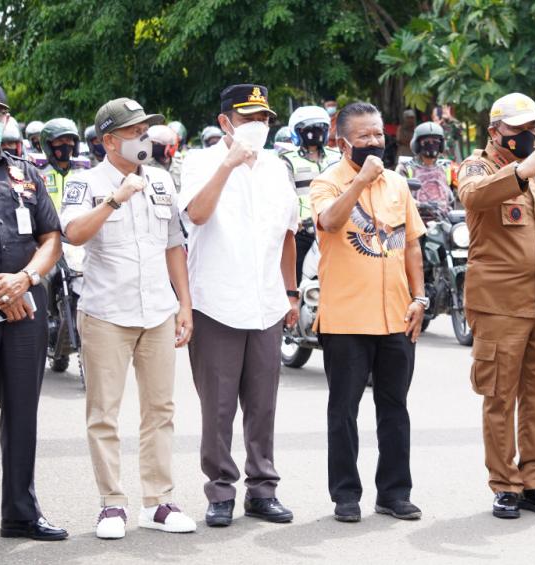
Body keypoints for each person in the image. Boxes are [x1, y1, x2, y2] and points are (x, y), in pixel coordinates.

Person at [59, 97, 196, 539]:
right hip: (105, 312)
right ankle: (112, 504)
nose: (145, 138)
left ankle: (157, 502)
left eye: (146, 130)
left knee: (160, 409)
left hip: (157, 309)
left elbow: (175, 244)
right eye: (136, 132)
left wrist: (184, 304)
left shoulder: (160, 181)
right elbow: (73, 233)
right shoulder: (85, 182)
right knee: (104, 412)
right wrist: (114, 200)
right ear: (109, 140)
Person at [458, 93, 535, 519]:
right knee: (499, 396)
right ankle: (505, 484)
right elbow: (473, 197)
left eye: (532, 128)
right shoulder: (479, 167)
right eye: (518, 129)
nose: (528, 135)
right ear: (495, 132)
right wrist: (518, 172)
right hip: (500, 306)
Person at [179, 83, 299, 527]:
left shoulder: (277, 169)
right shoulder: (200, 161)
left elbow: (287, 233)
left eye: (264, 118)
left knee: (263, 404)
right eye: (248, 118)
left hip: (266, 302)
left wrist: (290, 293)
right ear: (225, 122)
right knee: (219, 407)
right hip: (217, 303)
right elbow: (197, 214)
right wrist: (227, 165)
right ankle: (220, 491)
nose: (258, 126)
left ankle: (263, 489)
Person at [309, 101, 427, 523]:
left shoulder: (398, 184)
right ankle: (345, 495)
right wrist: (359, 181)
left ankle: (394, 493)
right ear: (343, 141)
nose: (375, 142)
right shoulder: (325, 181)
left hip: (397, 315)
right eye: (364, 136)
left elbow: (412, 243)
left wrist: (421, 297)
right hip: (345, 320)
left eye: (378, 134)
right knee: (343, 410)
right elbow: (330, 222)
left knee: (395, 408)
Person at [0, 83, 68, 541]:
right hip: (10, 301)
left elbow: (51, 239)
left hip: (24, 311)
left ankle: (21, 511)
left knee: (22, 415)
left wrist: (24, 280)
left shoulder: (25, 174)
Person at [281, 105, 338, 280]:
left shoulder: (337, 157)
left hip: (334, 227)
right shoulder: (287, 160)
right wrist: (296, 220)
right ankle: (294, 301)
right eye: (309, 129)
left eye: (320, 128)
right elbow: (286, 195)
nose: (315, 133)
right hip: (303, 231)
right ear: (297, 132)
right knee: (295, 279)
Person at [396, 121, 457, 220]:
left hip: (445, 221)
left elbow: (466, 190)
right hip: (415, 223)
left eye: (436, 142)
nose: (431, 145)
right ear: (417, 144)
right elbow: (397, 194)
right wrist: (418, 204)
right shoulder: (406, 168)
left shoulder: (448, 167)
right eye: (426, 142)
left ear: (441, 145)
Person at [39, 118, 89, 209]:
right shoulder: (38, 174)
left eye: (69, 140)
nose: (65, 145)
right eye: (60, 141)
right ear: (48, 145)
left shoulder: (83, 173)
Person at [147, 124, 183, 193]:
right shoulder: (145, 167)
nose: (153, 146)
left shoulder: (182, 166)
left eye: (156, 144)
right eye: (153, 143)